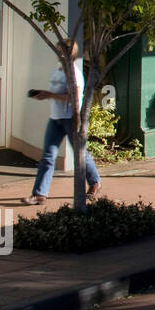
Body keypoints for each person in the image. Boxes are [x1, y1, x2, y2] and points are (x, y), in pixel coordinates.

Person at [22, 40, 102, 205]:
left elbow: (73, 98)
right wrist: (45, 94)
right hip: (55, 118)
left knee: (81, 154)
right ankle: (39, 194)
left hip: (71, 119)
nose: (57, 53)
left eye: (60, 51)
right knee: (47, 156)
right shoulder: (57, 70)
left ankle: (94, 182)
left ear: (68, 53)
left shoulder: (74, 73)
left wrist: (49, 95)